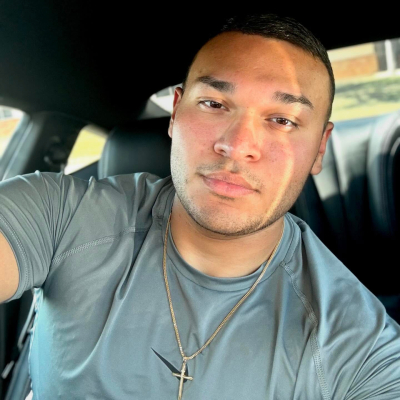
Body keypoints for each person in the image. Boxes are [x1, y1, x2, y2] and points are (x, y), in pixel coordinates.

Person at [1, 13, 399, 400]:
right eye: (214, 103)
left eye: (282, 120)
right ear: (175, 112)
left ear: (320, 147)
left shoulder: (355, 342)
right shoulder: (63, 215)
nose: (237, 145)